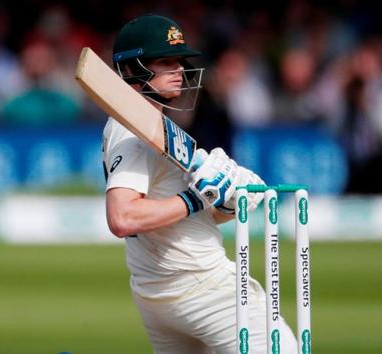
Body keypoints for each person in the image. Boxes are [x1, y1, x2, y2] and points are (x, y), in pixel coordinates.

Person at [101, 14, 298, 354]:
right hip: (200, 283)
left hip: (159, 291)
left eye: (179, 61)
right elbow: (123, 217)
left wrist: (222, 202)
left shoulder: (153, 125)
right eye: (166, 62)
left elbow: (170, 208)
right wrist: (195, 199)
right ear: (132, 69)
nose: (179, 70)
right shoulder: (130, 129)